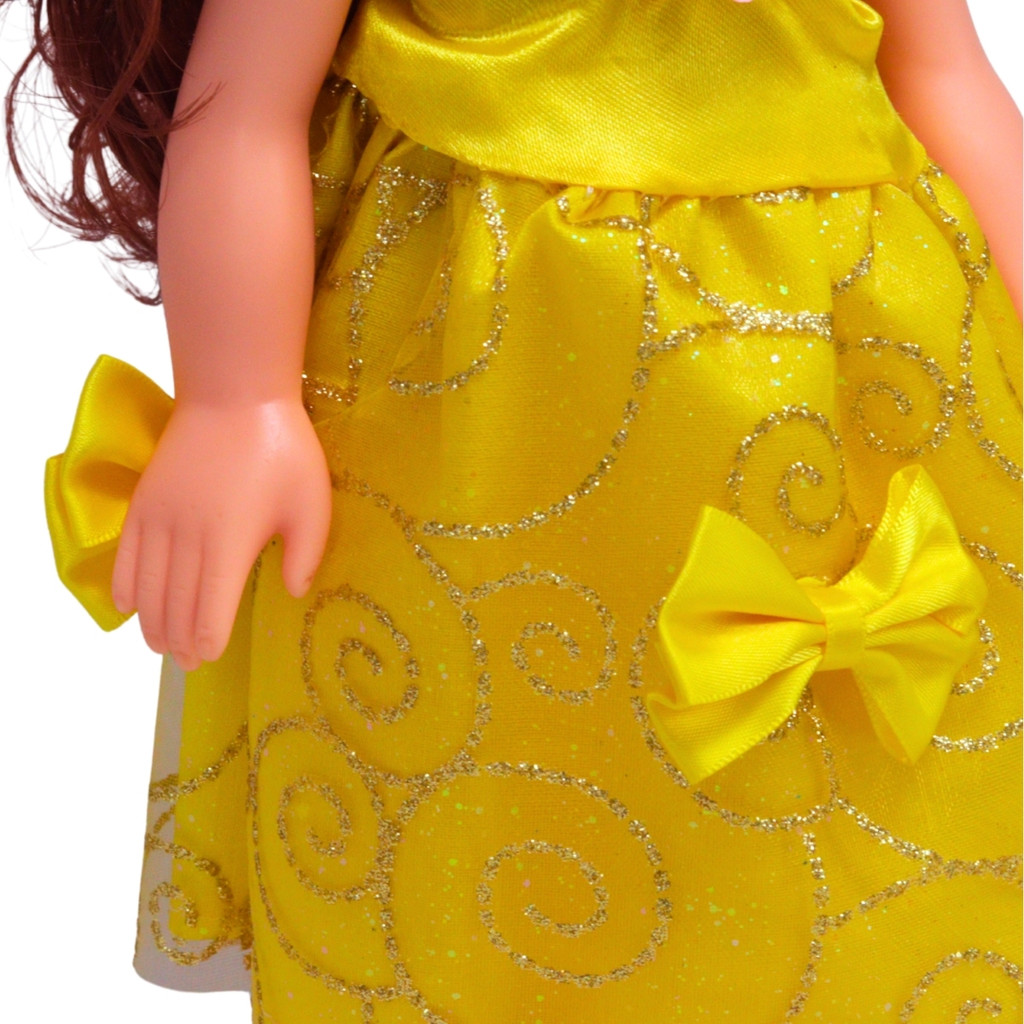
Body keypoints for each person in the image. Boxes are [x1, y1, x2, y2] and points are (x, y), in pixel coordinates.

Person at [7, 0, 1021, 1019]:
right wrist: (238, 399)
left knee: (851, 828)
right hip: (482, 387)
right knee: (481, 800)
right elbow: (243, 107)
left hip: (857, 387)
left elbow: (942, 76)